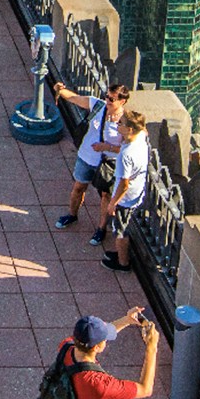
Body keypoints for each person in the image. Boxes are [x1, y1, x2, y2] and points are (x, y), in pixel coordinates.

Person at [52, 83, 129, 244]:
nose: (107, 100)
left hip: (108, 164)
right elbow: (75, 98)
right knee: (78, 187)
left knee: (105, 196)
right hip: (86, 157)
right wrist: (59, 89)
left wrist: (107, 147)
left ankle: (101, 228)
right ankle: (72, 215)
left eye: (112, 99)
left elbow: (127, 147)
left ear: (122, 101)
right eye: (107, 96)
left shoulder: (125, 122)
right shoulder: (98, 106)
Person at [43, 309, 160, 399]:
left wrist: (127, 320)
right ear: (97, 347)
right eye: (104, 340)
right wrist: (151, 347)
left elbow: (95, 335)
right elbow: (145, 389)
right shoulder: (100, 385)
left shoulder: (66, 346)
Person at [101, 110, 149, 273]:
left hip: (126, 199)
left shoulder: (126, 155)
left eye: (121, 123)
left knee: (120, 230)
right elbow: (143, 129)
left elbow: (124, 183)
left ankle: (123, 263)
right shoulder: (141, 137)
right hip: (137, 192)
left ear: (129, 130)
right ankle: (121, 257)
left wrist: (113, 203)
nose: (117, 125)